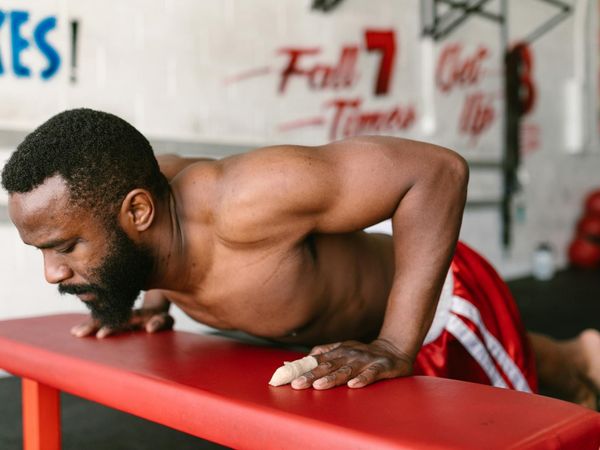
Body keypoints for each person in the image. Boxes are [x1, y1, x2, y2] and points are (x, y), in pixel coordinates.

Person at [2, 108, 599, 408]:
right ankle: (582, 351)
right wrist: (148, 298)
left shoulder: (250, 198)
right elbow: (165, 167)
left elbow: (437, 172)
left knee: (534, 414)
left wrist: (396, 344)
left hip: (444, 309)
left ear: (136, 213)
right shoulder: (152, 206)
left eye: (66, 247)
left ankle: (581, 362)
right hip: (349, 330)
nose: (53, 272)